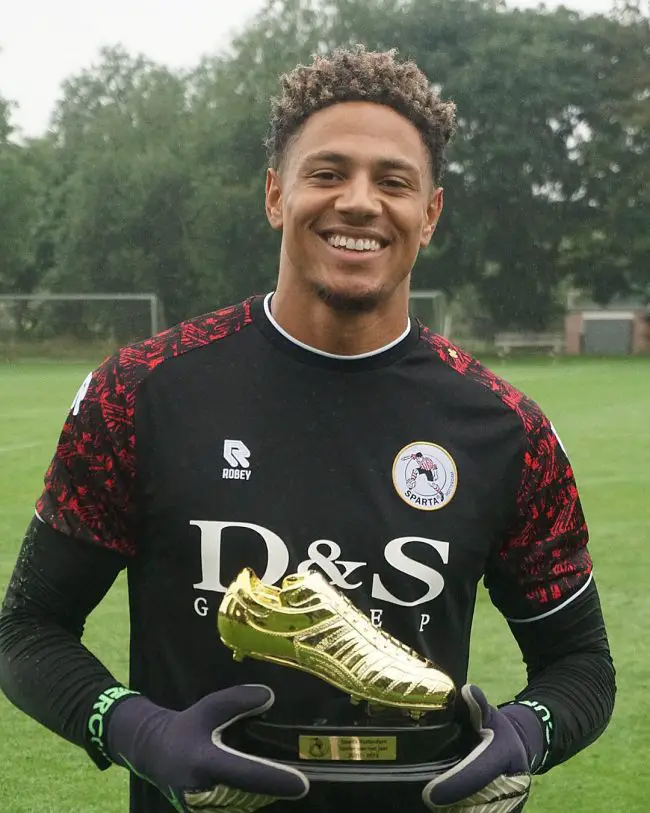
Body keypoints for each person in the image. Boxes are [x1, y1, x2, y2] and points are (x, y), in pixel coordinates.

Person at [0, 45, 615, 813]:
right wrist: (140, 732)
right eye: (327, 173)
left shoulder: (506, 428)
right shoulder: (140, 392)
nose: (359, 202)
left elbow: (581, 662)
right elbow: (28, 629)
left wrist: (525, 733)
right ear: (275, 195)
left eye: (393, 181)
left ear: (430, 214)